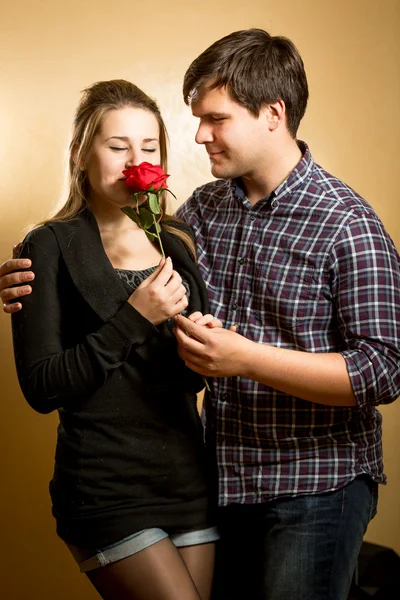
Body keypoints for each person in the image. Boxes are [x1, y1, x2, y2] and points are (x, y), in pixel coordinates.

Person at [2, 29, 400, 600]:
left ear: (272, 113)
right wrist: (29, 283)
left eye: (215, 119)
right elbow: (120, 282)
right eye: (196, 120)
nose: (198, 135)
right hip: (222, 479)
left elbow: (383, 371)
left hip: (313, 487)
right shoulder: (201, 214)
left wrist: (246, 359)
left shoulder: (347, 224)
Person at [7, 79, 220, 600]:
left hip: (188, 482)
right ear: (81, 154)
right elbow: (41, 388)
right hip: (105, 489)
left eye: (148, 148)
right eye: (117, 146)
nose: (134, 162)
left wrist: (202, 344)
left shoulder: (176, 243)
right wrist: (134, 317)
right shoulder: (48, 245)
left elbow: (184, 381)